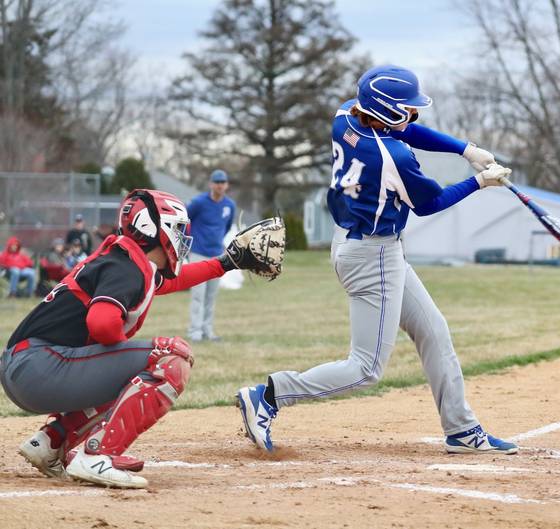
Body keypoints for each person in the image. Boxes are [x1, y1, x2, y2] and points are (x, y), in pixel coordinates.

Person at [236, 64, 518, 455]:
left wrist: (464, 150)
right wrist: (479, 182)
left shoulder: (345, 115)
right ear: (385, 110)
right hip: (374, 256)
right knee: (366, 368)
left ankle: (462, 430)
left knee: (434, 331)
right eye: (406, 108)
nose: (413, 114)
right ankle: (269, 395)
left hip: (358, 244)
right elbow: (430, 203)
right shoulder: (393, 157)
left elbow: (404, 128)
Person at [0, 189, 272, 489]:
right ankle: (97, 454)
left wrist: (225, 263)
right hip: (39, 366)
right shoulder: (126, 268)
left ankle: (52, 442)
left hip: (31, 366)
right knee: (171, 357)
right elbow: (102, 324)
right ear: (153, 229)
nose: (182, 237)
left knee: (134, 369)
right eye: (178, 229)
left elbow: (172, 281)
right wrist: (119, 354)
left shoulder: (127, 261)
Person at [186, 169, 236, 342]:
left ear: (227, 185)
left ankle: (208, 330)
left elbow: (227, 227)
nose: (220, 185)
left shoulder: (229, 205)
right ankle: (195, 332)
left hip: (217, 255)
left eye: (223, 182)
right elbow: (185, 219)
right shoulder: (199, 202)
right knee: (198, 295)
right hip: (198, 253)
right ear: (211, 184)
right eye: (217, 182)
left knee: (211, 296)